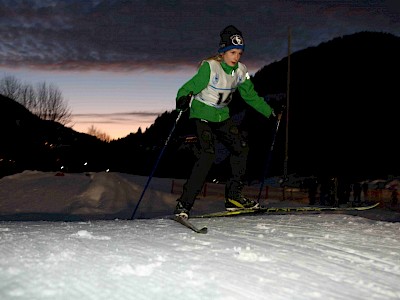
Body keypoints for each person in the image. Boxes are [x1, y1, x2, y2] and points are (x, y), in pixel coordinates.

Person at [174, 25, 275, 218]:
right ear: (222, 51)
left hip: (222, 116)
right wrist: (182, 100)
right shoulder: (210, 67)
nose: (236, 57)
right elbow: (188, 87)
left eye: (239, 53)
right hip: (202, 114)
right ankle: (184, 204)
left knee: (241, 148)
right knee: (207, 156)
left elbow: (250, 95)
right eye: (232, 52)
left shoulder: (241, 71)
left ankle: (234, 197)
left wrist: (269, 112)